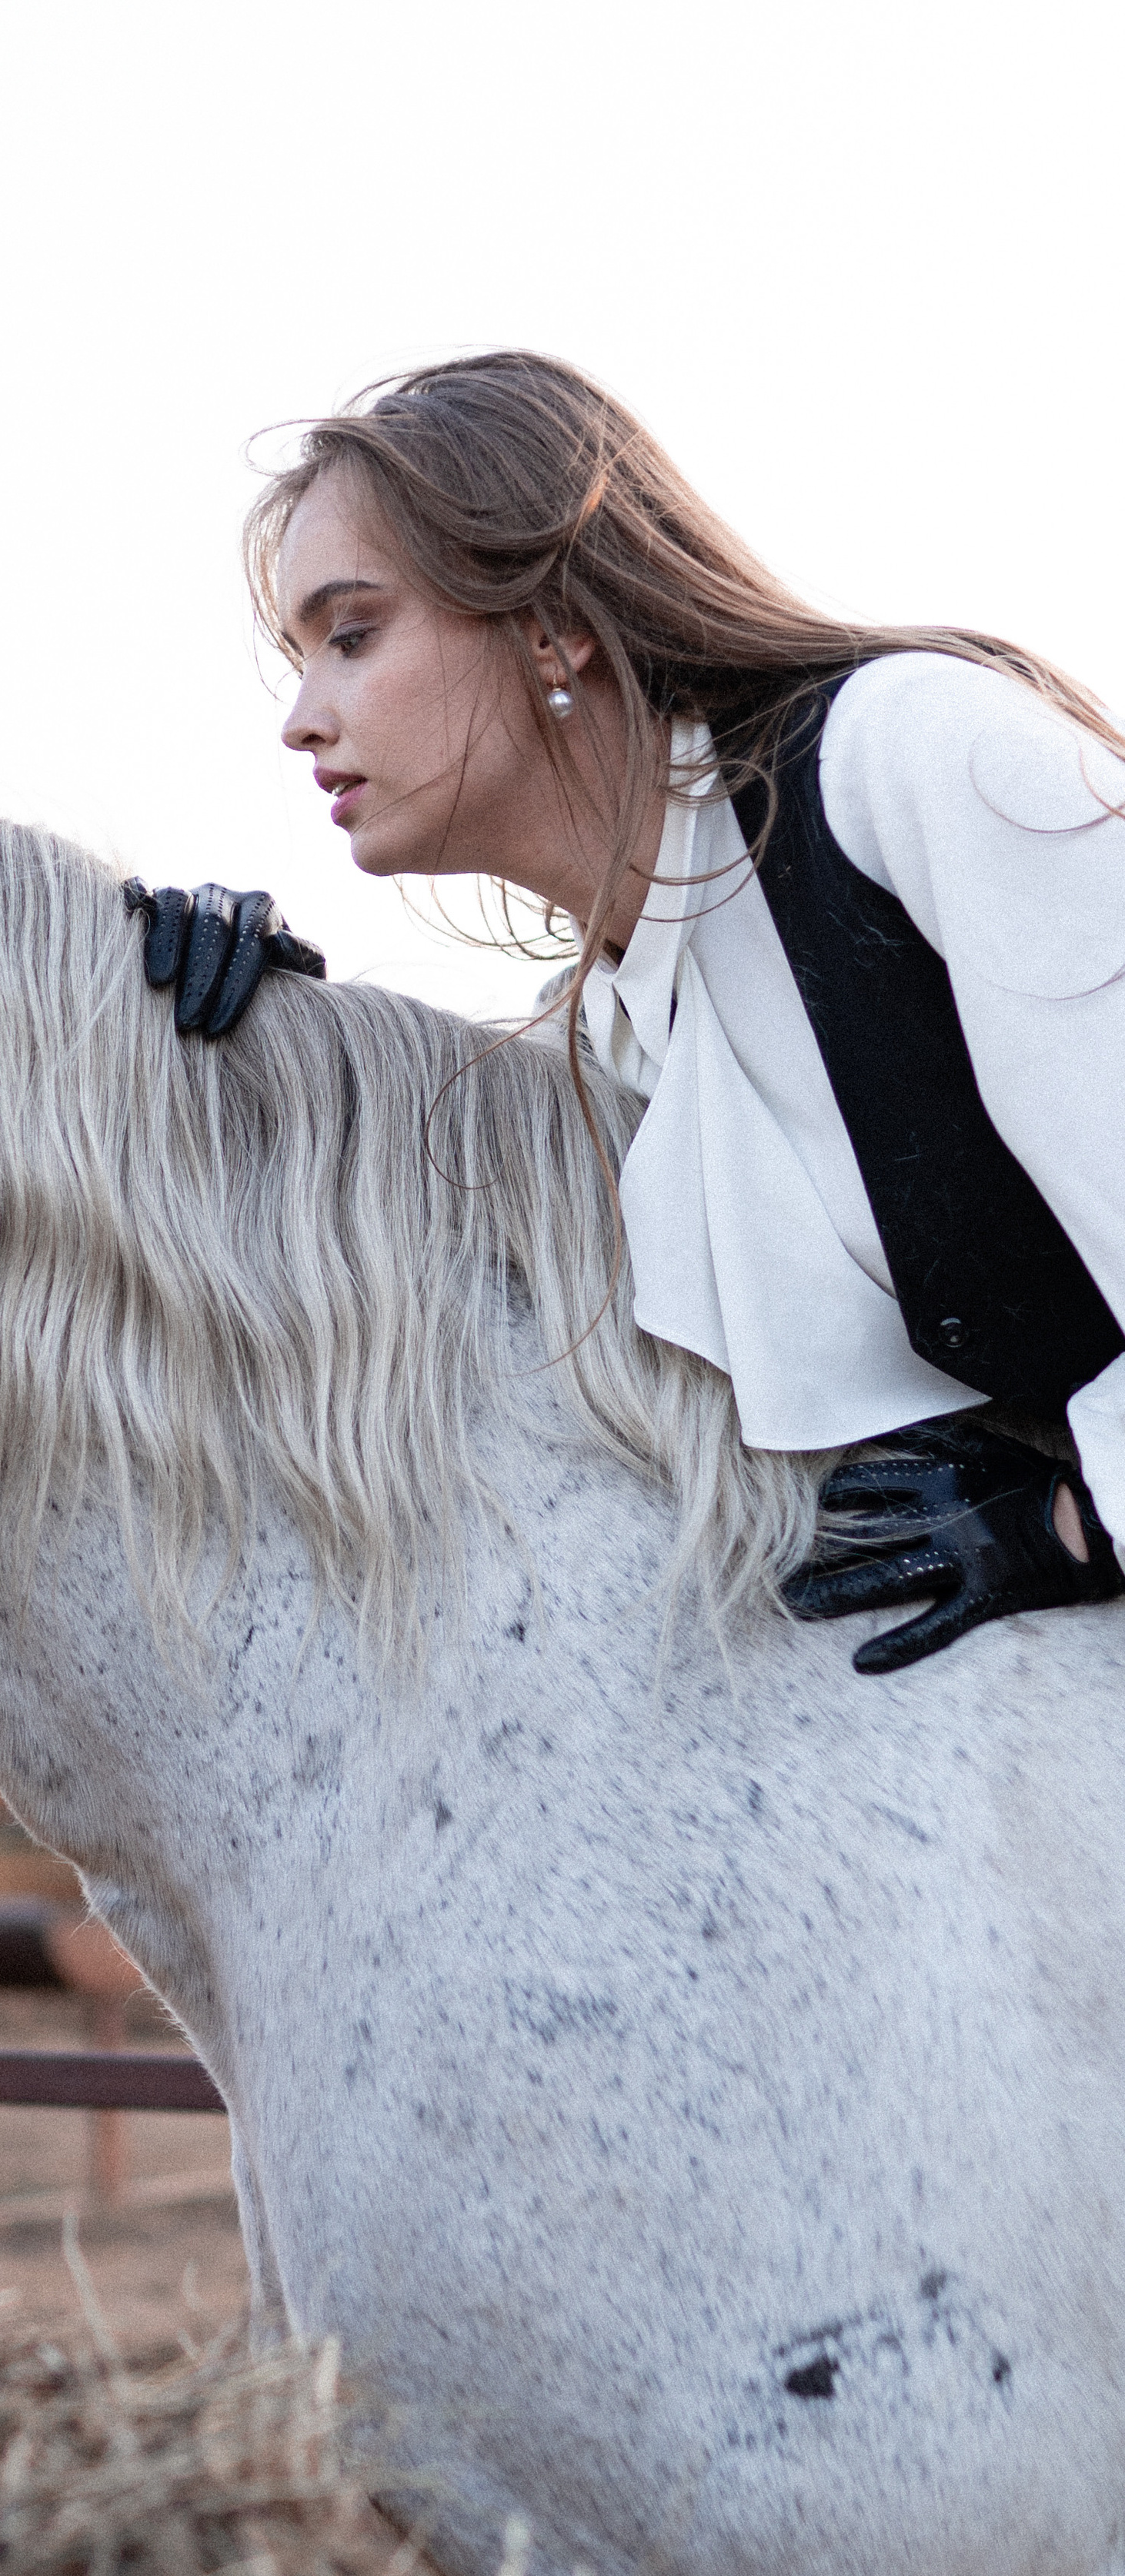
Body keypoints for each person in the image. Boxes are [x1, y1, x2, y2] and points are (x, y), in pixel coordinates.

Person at [129, 350, 1125, 1671]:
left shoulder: (915, 755)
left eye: (353, 634)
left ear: (552, 623)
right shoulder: (611, 1023)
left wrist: (1070, 1521)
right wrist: (236, 1028)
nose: (303, 719)